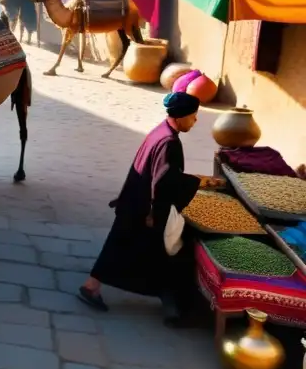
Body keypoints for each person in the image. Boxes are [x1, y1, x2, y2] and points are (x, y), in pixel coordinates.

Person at [79, 91, 218, 326]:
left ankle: (93, 286)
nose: (195, 122)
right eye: (193, 117)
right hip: (143, 208)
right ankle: (170, 301)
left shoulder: (160, 131)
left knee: (120, 245)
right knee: (147, 250)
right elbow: (163, 182)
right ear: (182, 116)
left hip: (134, 201)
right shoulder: (169, 142)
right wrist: (193, 183)